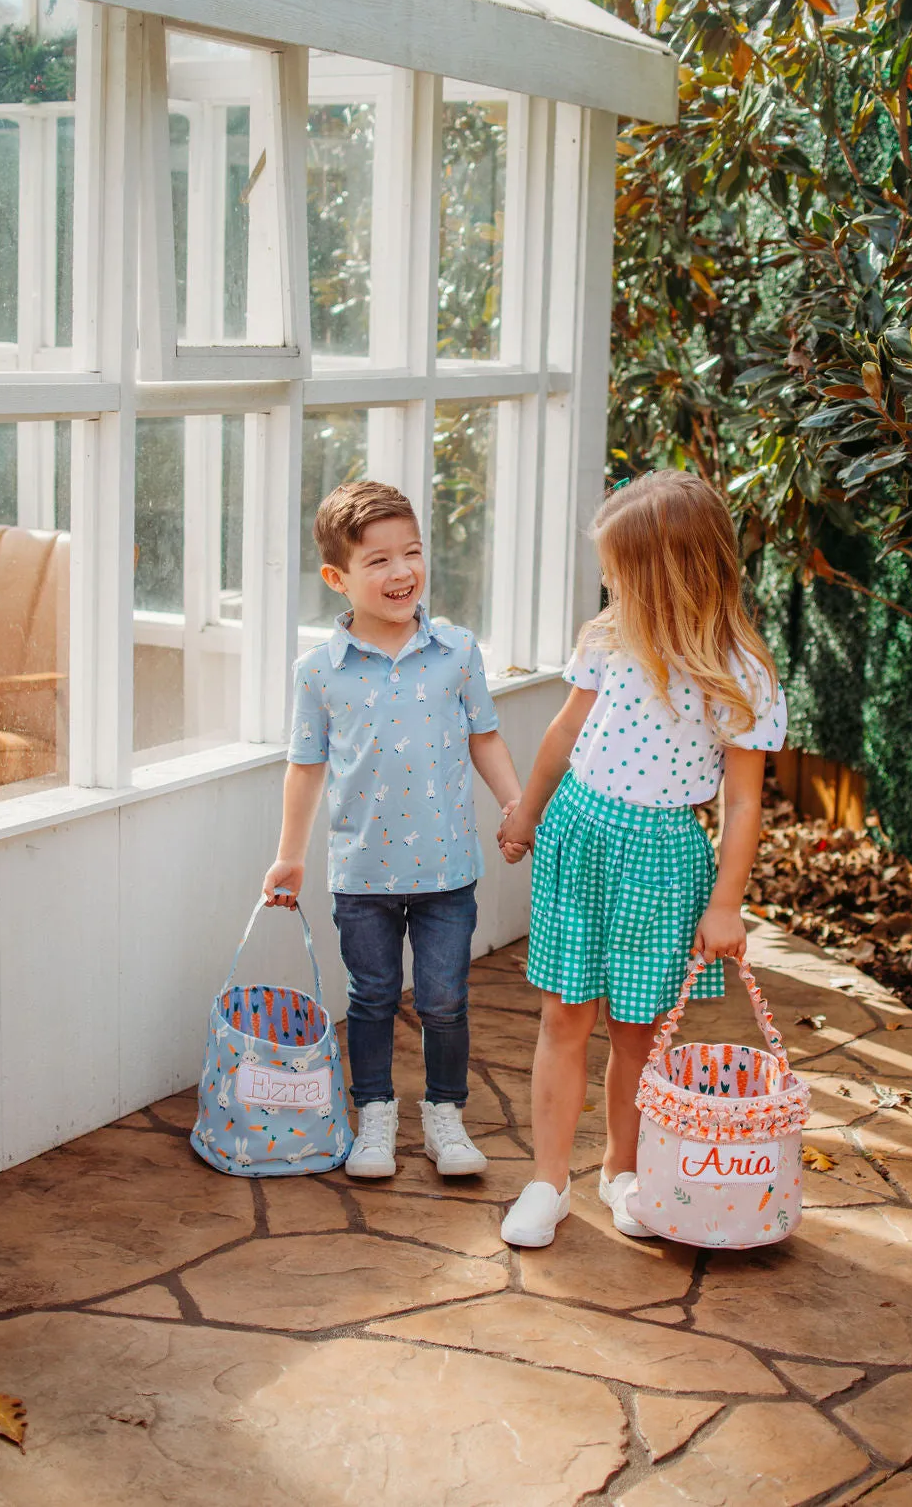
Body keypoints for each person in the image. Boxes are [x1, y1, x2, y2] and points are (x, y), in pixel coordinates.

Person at [497, 470, 787, 1247]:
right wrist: (527, 811)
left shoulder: (741, 673)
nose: (605, 578)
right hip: (581, 834)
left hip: (664, 859)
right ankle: (546, 1182)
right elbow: (563, 732)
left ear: (667, 572)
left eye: (617, 565)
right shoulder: (607, 636)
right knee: (565, 1016)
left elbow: (745, 801)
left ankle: (622, 1172)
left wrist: (726, 903)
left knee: (638, 1031)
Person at [262, 480, 522, 1181]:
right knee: (372, 997)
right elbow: (304, 768)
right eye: (377, 561)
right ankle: (374, 1113)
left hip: (447, 871)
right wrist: (290, 858)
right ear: (337, 578)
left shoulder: (456, 651)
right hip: (362, 874)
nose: (401, 571)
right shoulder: (320, 672)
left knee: (444, 1000)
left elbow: (486, 739)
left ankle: (445, 1116)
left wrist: (515, 805)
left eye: (411, 553)